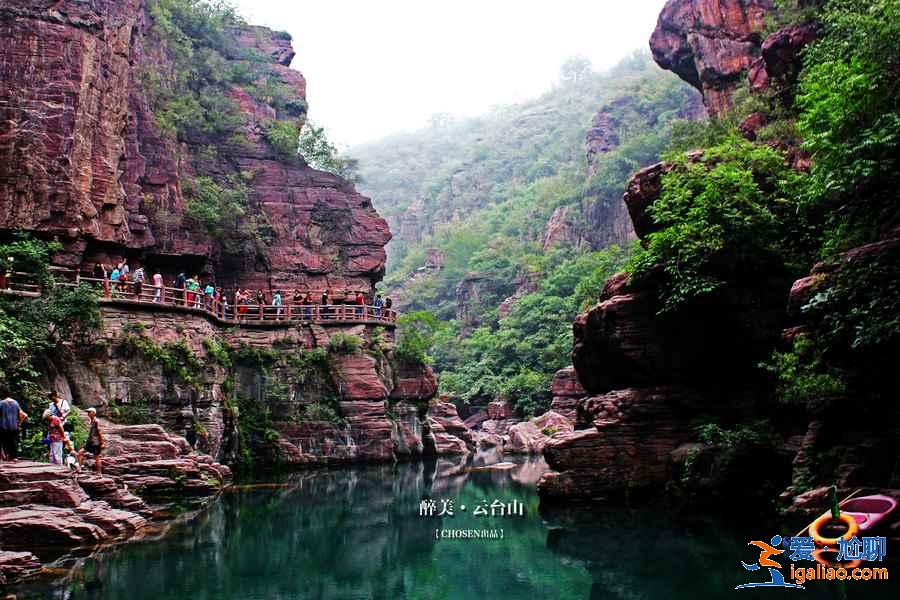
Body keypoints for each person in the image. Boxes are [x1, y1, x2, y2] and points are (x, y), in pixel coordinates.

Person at [0, 393, 27, 461]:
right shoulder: (16, 403)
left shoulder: (1, 403)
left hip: (4, 427)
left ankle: (6, 457)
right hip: (14, 427)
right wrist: (19, 423)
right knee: (13, 442)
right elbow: (24, 415)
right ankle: (14, 457)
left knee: (4, 443)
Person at [79, 407, 104, 476]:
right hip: (90, 442)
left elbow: (100, 432)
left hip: (96, 443)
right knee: (80, 452)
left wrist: (102, 443)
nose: (88, 414)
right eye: (88, 412)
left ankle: (99, 473)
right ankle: (79, 469)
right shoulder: (92, 421)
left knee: (97, 457)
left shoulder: (96, 421)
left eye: (89, 412)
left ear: (94, 413)